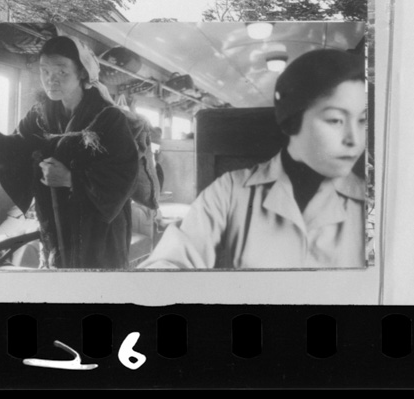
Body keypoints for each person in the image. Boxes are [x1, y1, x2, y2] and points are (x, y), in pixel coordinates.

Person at [140, 48, 367, 270]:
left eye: (362, 120)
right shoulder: (229, 192)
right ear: (293, 121)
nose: (354, 140)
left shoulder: (374, 206)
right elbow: (175, 259)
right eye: (335, 120)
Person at [0, 35, 143, 270]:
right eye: (45, 71)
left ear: (82, 73)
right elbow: (18, 148)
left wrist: (70, 179)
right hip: (54, 221)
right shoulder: (39, 115)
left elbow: (124, 175)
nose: (50, 79)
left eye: (61, 71)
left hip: (98, 227)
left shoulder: (108, 117)